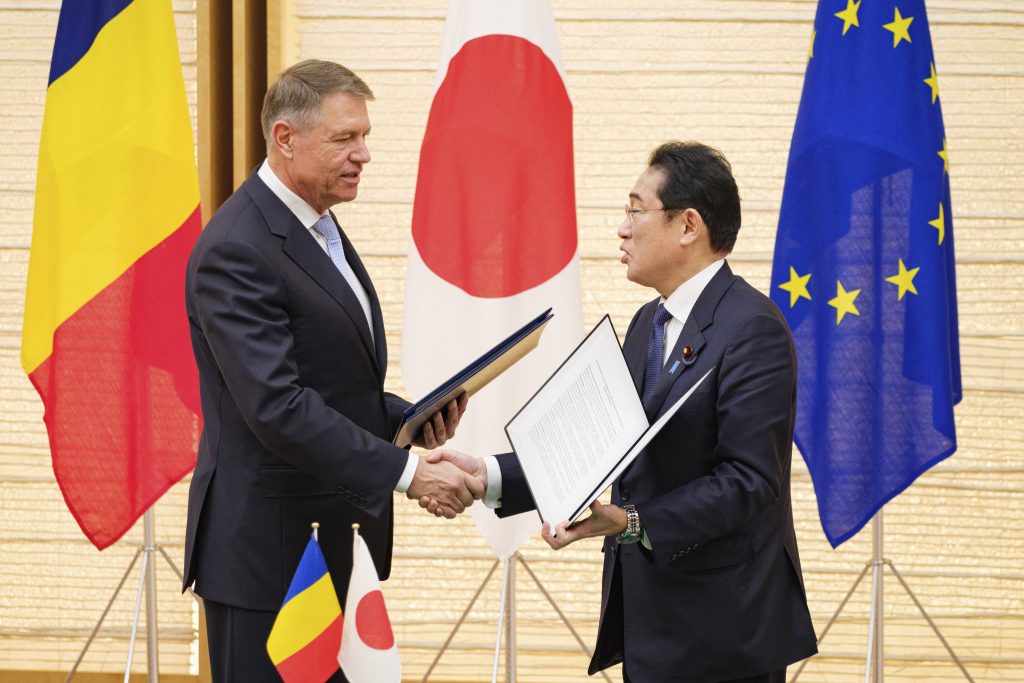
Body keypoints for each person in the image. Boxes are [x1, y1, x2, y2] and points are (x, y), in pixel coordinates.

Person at [427, 142, 818, 682]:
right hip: (650, 622)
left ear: (688, 225)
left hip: (724, 631)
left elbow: (749, 481)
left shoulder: (752, 328)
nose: (622, 229)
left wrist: (634, 522)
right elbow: (596, 448)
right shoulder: (646, 324)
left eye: (636, 210)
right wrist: (488, 475)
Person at [182, 60, 480, 682]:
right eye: (345, 138)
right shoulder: (238, 247)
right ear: (285, 138)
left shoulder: (315, 221)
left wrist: (405, 419)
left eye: (365, 136)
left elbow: (325, 376)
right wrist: (407, 473)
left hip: (331, 540)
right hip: (268, 561)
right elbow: (277, 407)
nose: (364, 154)